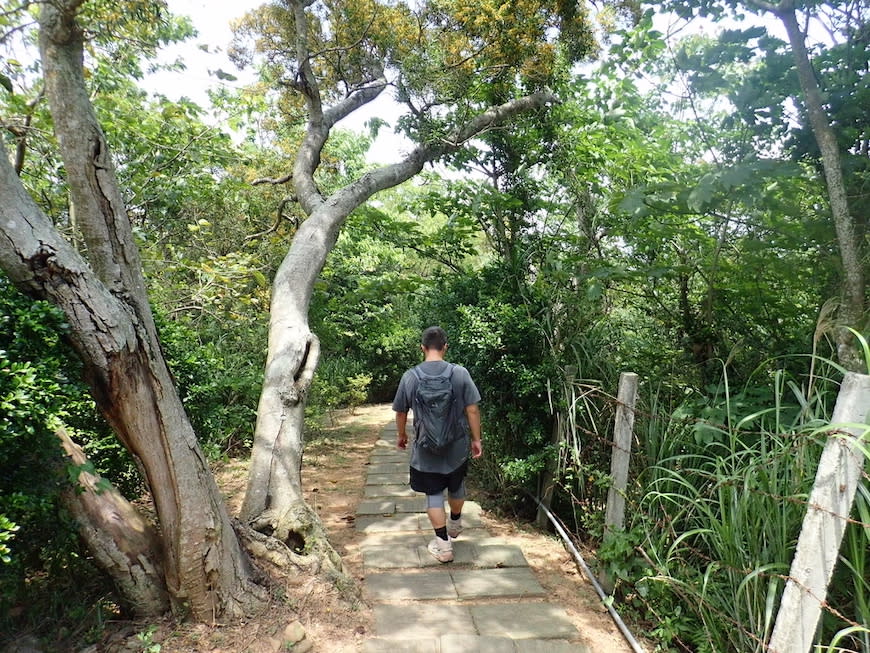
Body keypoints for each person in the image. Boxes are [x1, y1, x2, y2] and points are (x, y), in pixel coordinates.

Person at [392, 326, 483, 563]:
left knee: (433, 494)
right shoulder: (459, 373)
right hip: (456, 447)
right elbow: (472, 409)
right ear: (445, 347)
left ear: (422, 347)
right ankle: (455, 521)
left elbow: (401, 412)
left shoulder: (410, 376)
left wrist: (401, 435)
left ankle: (444, 546)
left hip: (425, 449)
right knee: (456, 485)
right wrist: (476, 439)